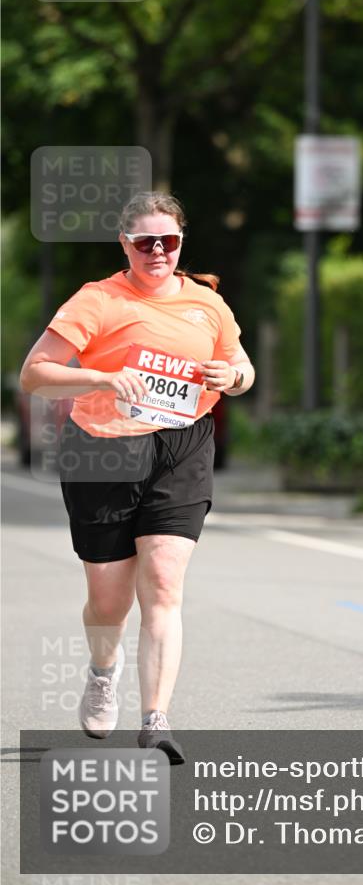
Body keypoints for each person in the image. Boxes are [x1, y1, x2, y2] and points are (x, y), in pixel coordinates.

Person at [19, 192, 255, 764]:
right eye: (145, 241)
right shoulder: (98, 299)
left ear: (180, 244)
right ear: (125, 244)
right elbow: (35, 375)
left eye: (168, 241)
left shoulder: (207, 305)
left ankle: (156, 719)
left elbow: (243, 369)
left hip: (182, 447)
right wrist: (99, 379)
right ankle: (104, 671)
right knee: (108, 599)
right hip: (103, 450)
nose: (157, 251)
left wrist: (233, 376)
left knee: (165, 584)